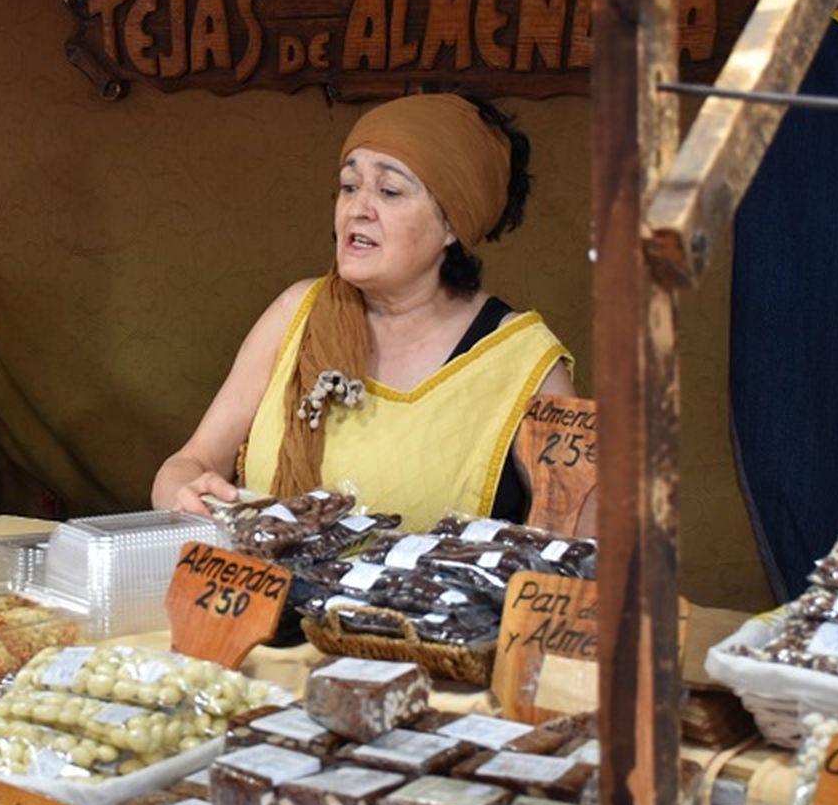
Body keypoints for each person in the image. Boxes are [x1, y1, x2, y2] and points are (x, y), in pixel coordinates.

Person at [152, 92, 577, 528]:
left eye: (389, 191)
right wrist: (183, 493)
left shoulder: (526, 365)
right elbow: (191, 461)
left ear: (453, 224)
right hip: (267, 592)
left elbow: (582, 544)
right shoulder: (298, 312)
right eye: (349, 187)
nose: (357, 209)